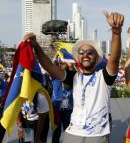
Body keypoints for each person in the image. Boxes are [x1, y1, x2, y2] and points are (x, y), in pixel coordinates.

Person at [23, 11, 124, 143]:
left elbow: (115, 60)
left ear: (97, 57)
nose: (85, 54)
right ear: (78, 57)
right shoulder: (74, 77)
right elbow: (50, 67)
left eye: (90, 52)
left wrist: (116, 33)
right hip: (73, 133)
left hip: (97, 135)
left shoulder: (104, 77)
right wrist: (36, 46)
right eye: (81, 52)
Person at [51, 61, 73, 143]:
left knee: (69, 131)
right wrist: (56, 59)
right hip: (56, 109)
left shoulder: (71, 76)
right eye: (59, 63)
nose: (60, 65)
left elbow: (71, 70)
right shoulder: (55, 76)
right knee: (56, 131)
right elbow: (51, 68)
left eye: (63, 63)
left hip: (68, 109)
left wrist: (70, 65)